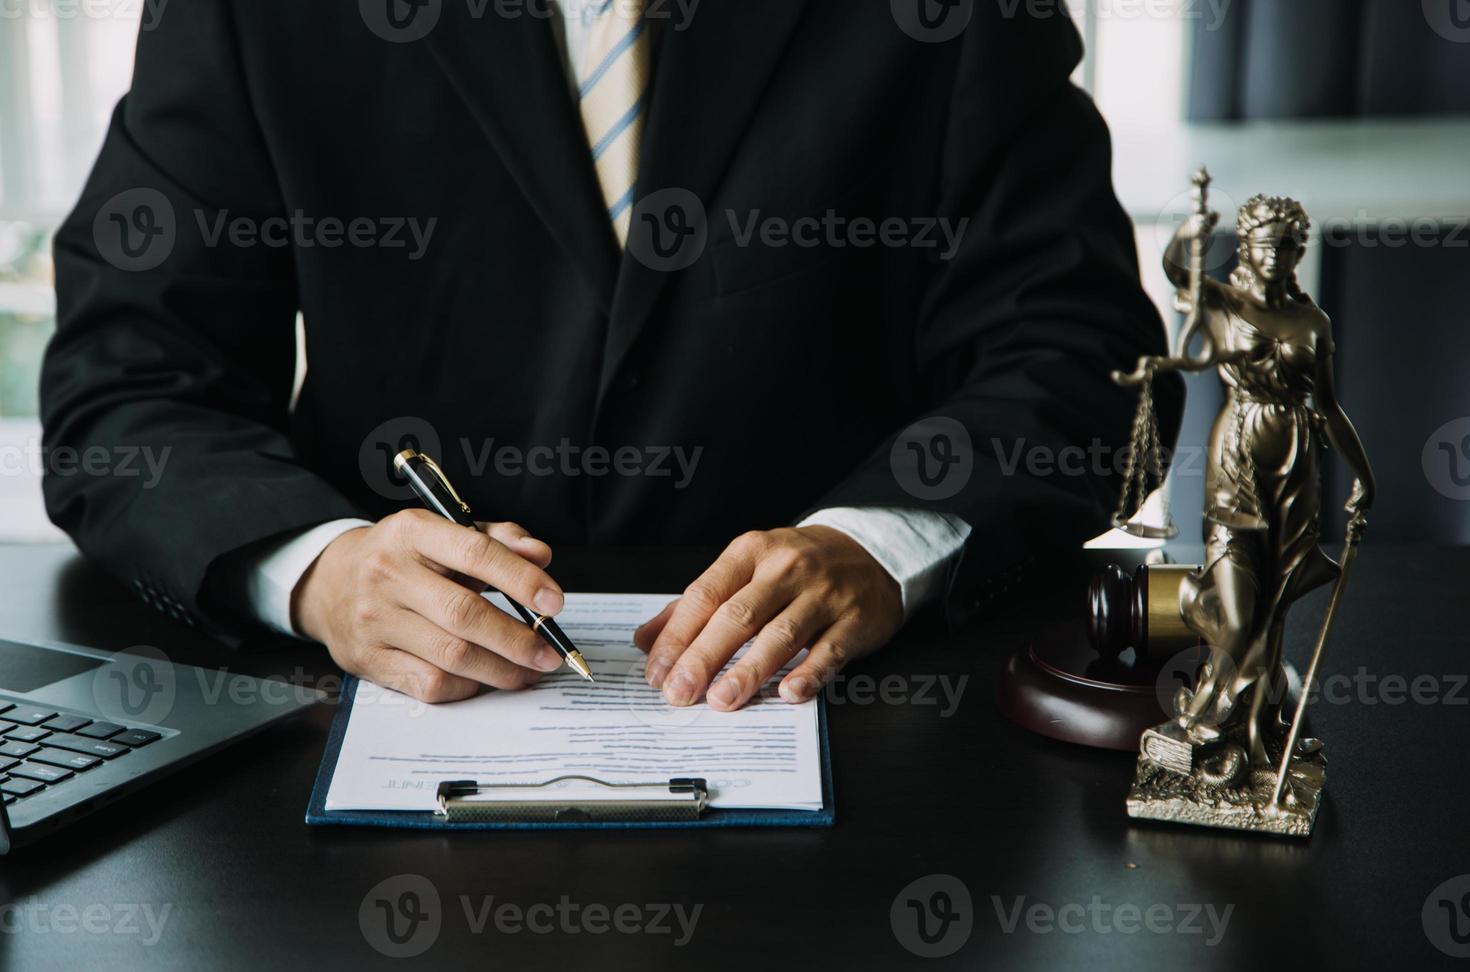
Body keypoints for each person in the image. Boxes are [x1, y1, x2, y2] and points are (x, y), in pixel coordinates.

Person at [41, 1, 1179, 709]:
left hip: (856, 726)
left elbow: (1083, 356)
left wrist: (879, 540)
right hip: (372, 725)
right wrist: (324, 570)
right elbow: (127, 383)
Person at [1140, 194, 1375, 771]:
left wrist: (1364, 475)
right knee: (1242, 614)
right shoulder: (1225, 301)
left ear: (1298, 250)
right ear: (1245, 245)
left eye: (1288, 244)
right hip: (1238, 459)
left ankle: (1257, 731)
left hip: (1296, 467)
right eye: (1265, 242)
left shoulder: (1313, 321)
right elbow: (1176, 269)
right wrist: (1190, 230)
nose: (1276, 253)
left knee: (1274, 607)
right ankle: (1202, 708)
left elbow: (1328, 406)